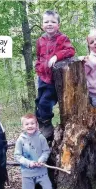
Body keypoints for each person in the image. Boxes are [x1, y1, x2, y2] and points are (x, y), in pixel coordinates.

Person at [35, 10, 75, 138]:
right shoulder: (40, 40)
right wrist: (38, 67)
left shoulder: (62, 38)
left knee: (45, 102)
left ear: (58, 25)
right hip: (42, 77)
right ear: (42, 25)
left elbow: (70, 50)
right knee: (38, 102)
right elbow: (38, 56)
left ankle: (47, 126)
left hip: (54, 80)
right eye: (46, 22)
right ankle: (41, 125)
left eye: (53, 21)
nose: (49, 24)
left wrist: (56, 56)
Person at [14, 113, 53, 189]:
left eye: (32, 123)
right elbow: (17, 156)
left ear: (37, 125)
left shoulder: (41, 137)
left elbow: (46, 151)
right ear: (23, 126)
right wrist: (29, 163)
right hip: (27, 173)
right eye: (27, 124)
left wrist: (41, 160)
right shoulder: (21, 140)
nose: (30, 126)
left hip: (41, 171)